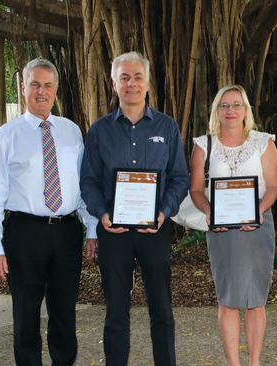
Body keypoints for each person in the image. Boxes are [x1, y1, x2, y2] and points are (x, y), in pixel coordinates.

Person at [0, 58, 98, 366]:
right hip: (24, 233)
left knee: (64, 313)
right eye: (35, 84)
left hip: (66, 231)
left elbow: (83, 186)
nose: (41, 92)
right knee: (26, 315)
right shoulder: (7, 136)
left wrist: (92, 228)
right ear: (23, 88)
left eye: (47, 85)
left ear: (56, 89)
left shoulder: (71, 131)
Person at [79, 51, 188, 366]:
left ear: (148, 82)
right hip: (114, 232)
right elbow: (88, 181)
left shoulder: (167, 127)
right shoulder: (99, 130)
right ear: (114, 83)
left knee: (162, 310)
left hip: (155, 230)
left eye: (137, 77)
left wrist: (164, 212)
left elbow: (179, 178)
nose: (131, 83)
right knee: (115, 311)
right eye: (124, 77)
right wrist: (101, 214)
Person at [189, 84, 277, 366]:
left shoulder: (263, 142)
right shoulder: (204, 145)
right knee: (227, 298)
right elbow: (196, 190)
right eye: (225, 105)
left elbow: (274, 186)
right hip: (221, 231)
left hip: (257, 228)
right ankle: (234, 363)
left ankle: (254, 362)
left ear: (246, 110)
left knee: (256, 299)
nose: (231, 110)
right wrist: (209, 212)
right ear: (217, 110)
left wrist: (257, 212)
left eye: (237, 105)